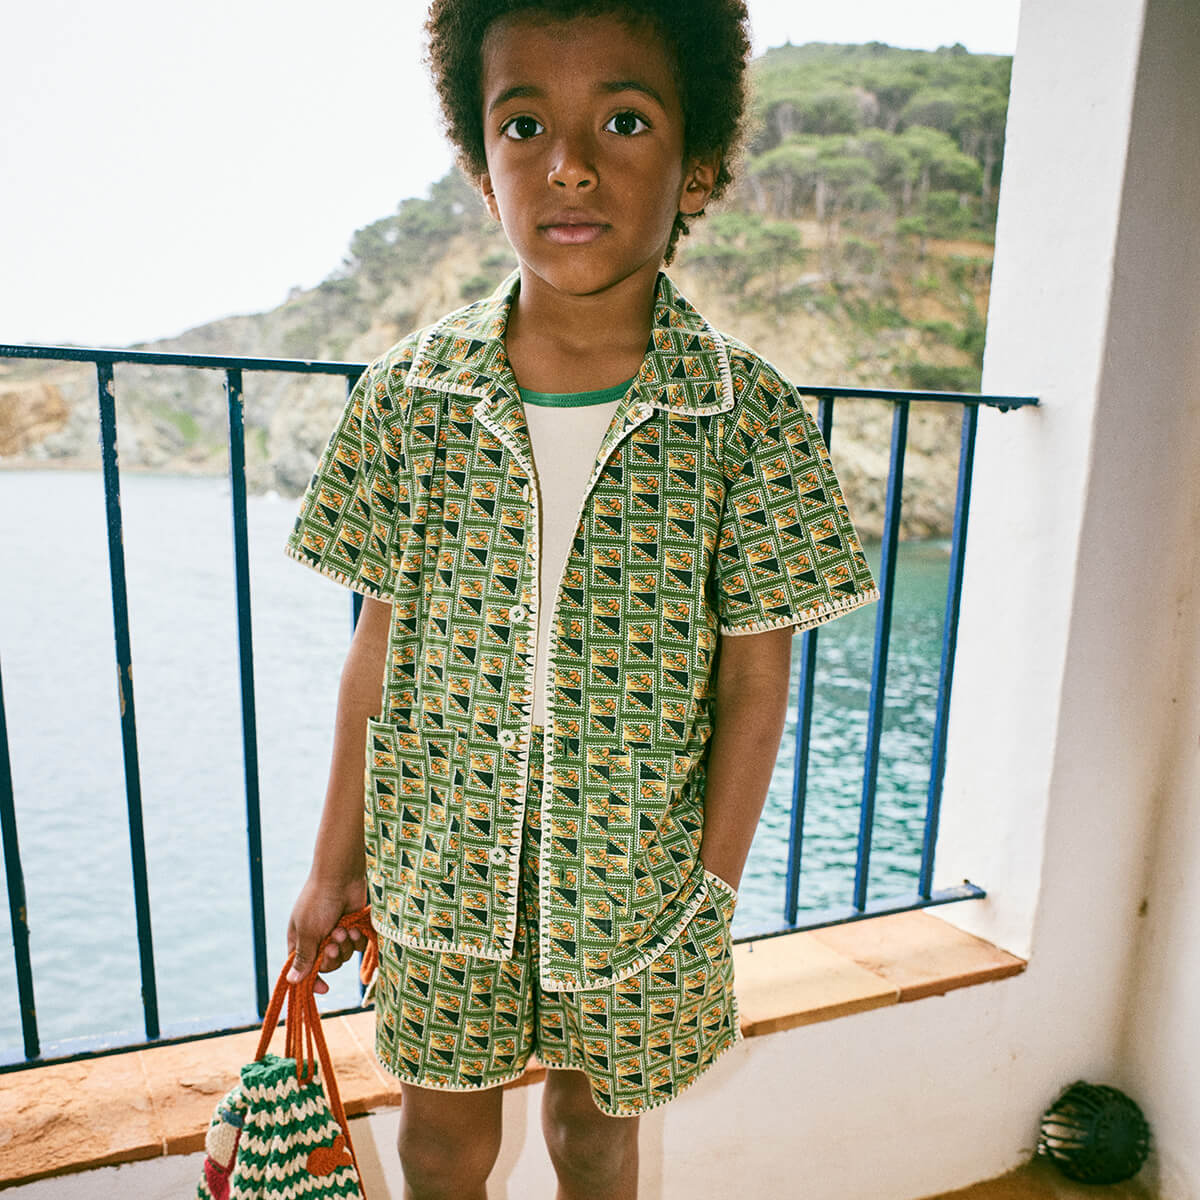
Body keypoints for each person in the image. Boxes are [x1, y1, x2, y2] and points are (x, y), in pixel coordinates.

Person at [283, 2, 879, 1197]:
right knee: (441, 1138)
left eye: (624, 120)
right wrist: (332, 866)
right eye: (523, 126)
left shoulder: (747, 417)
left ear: (696, 163)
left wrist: (707, 893)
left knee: (598, 1135)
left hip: (638, 885)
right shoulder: (407, 397)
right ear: (480, 165)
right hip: (441, 864)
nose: (568, 164)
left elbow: (756, 677)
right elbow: (376, 654)